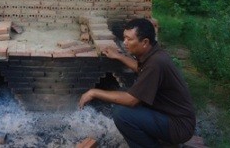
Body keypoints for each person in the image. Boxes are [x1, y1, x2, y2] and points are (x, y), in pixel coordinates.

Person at [79, 18, 195, 147]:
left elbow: (131, 100)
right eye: (124, 38)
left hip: (178, 126)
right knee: (122, 94)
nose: (125, 42)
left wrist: (94, 92)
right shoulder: (155, 54)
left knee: (122, 114)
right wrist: (119, 56)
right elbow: (140, 69)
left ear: (145, 42)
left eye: (129, 39)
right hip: (169, 115)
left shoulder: (156, 63)